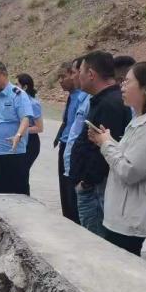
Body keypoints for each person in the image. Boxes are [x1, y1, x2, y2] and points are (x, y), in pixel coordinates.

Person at [87, 61, 146, 256]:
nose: (122, 86)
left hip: (129, 220)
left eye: (128, 82)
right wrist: (108, 140)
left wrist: (106, 145)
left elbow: (130, 172)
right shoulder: (139, 121)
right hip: (123, 216)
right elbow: (130, 158)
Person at [69, 52, 129, 236]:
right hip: (93, 188)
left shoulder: (109, 104)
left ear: (91, 74)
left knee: (95, 243)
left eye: (80, 71)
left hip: (96, 191)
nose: (77, 76)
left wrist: (87, 182)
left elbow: (104, 151)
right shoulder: (102, 100)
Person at [0, 61, 34, 195]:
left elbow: (25, 118)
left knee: (15, 196)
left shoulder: (18, 95)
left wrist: (18, 135)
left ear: (4, 75)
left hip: (12, 155)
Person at [53, 60, 82, 223]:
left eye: (63, 76)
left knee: (71, 192)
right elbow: (67, 121)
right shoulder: (72, 96)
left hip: (73, 148)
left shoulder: (82, 97)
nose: (60, 81)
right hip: (64, 145)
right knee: (64, 189)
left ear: (73, 74)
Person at [62, 57, 91, 193]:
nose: (72, 77)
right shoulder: (82, 98)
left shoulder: (91, 101)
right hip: (71, 158)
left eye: (74, 72)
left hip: (80, 167)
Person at [16, 73, 43, 195]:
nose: (14, 88)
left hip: (31, 142)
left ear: (25, 87)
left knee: (22, 172)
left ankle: (24, 197)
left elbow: (39, 128)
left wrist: (21, 130)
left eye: (17, 85)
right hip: (20, 140)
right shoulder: (17, 101)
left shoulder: (33, 104)